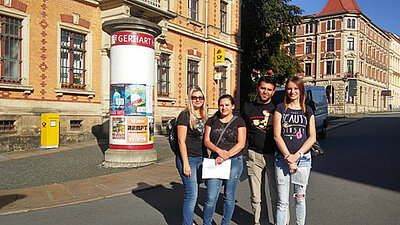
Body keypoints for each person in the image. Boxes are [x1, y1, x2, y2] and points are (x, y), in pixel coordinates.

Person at [273, 76, 316, 225]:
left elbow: (312, 137)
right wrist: (288, 157)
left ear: (301, 90)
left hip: (303, 161)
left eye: (296, 89)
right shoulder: (280, 108)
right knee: (282, 202)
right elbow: (277, 135)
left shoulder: (308, 110)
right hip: (282, 160)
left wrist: (297, 155)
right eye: (289, 88)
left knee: (300, 198)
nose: (292, 91)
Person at [241, 76, 282, 225]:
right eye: (263, 88)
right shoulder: (247, 107)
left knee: (277, 195)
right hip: (253, 156)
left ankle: (280, 222)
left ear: (273, 92)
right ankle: (260, 222)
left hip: (274, 156)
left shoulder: (278, 108)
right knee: (256, 196)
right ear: (257, 88)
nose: (265, 92)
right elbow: (242, 132)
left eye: (269, 89)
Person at [203, 94, 246, 225]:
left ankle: (225, 223)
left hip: (234, 161)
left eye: (227, 105)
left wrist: (226, 155)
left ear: (232, 106)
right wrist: (219, 152)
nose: (224, 108)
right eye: (221, 105)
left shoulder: (239, 121)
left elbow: (241, 143)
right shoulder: (211, 121)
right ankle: (207, 223)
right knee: (211, 197)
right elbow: (207, 141)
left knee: (229, 196)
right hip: (216, 161)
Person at [176, 87, 208, 225]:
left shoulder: (205, 116)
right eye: (194, 97)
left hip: (201, 158)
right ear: (190, 99)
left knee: (193, 192)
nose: (198, 100)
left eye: (200, 97)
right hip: (188, 159)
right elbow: (181, 141)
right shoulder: (185, 115)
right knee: (192, 194)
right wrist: (186, 163)